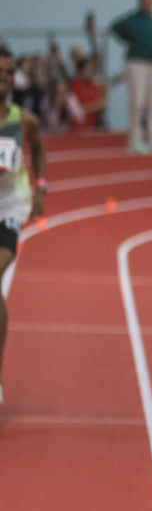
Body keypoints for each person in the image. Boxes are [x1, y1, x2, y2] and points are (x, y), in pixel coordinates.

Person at [0, 47, 48, 404]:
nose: (3, 79)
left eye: (7, 73)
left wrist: (41, 189)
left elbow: (40, 150)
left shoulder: (24, 119)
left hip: (9, 209)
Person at [110, 0, 152, 155]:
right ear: (141, 1)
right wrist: (131, 41)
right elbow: (116, 27)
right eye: (148, 0)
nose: (151, 3)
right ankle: (135, 139)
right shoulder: (133, 20)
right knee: (137, 101)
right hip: (136, 63)